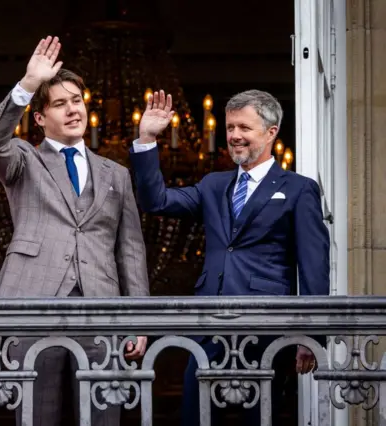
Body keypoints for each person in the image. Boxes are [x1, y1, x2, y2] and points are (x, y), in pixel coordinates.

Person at [129, 89, 330, 425]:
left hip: (266, 327)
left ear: (271, 132)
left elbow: (313, 264)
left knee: (260, 418)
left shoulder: (298, 188)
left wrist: (311, 336)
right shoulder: (213, 184)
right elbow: (156, 201)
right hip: (208, 324)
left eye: (244, 128)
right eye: (230, 127)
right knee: (194, 416)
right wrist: (147, 138)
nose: (235, 136)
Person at [0, 36, 150, 426]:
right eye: (60, 103)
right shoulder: (23, 159)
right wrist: (27, 84)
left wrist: (140, 319)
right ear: (39, 118)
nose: (73, 109)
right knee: (37, 416)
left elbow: (131, 253)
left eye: (77, 100)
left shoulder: (117, 174)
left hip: (102, 310)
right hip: (33, 305)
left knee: (103, 416)